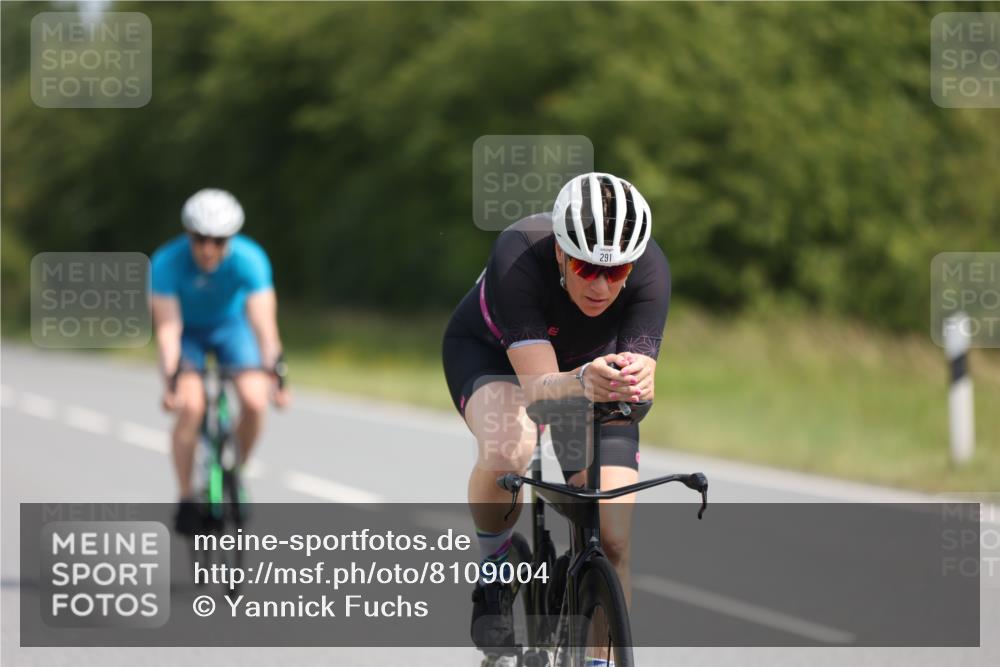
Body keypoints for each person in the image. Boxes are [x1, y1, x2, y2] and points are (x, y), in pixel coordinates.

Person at [442, 172, 670, 664]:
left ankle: (596, 657)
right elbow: (542, 392)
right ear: (562, 253)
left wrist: (636, 380)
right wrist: (584, 379)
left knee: (613, 532)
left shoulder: (651, 269)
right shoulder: (519, 255)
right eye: (586, 268)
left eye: (616, 271)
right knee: (510, 447)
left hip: (590, 374)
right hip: (496, 359)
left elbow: (639, 376)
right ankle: (496, 568)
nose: (602, 285)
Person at [151, 188, 290, 534]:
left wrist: (277, 373)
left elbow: (264, 326)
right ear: (189, 235)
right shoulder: (166, 263)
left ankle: (234, 470)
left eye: (217, 240)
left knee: (256, 401)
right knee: (192, 407)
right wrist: (171, 380)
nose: (208, 249)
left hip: (232, 328)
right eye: (200, 239)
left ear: (231, 238)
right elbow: (168, 330)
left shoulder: (250, 259)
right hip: (189, 335)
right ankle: (186, 498)